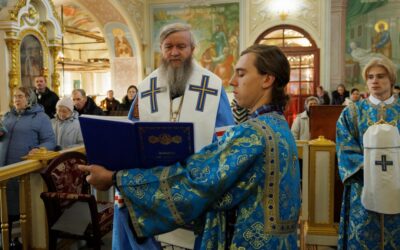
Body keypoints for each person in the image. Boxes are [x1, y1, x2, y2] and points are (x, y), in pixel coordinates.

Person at [80, 44, 300, 249]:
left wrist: (114, 178)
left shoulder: (253, 133)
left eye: (241, 74)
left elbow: (194, 180)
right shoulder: (279, 125)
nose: (233, 81)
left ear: (267, 79)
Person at [117, 22, 235, 250]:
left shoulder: (212, 86)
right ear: (161, 49)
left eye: (181, 46)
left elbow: (225, 139)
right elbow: (130, 134)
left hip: (196, 183)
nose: (174, 52)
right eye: (168, 46)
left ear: (192, 49)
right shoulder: (145, 87)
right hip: (154, 182)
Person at [336, 58, 400, 249]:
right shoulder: (352, 112)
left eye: (380, 76)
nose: (374, 81)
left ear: (391, 79)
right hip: (363, 185)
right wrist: (369, 167)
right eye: (370, 77)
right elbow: (344, 147)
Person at [0, 86, 55, 246]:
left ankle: (24, 241)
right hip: (5, 170)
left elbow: (50, 141)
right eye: (15, 96)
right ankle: (6, 241)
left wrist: (40, 148)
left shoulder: (41, 117)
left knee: (23, 208)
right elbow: (3, 138)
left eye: (20, 96)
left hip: (25, 171)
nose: (16, 99)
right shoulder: (8, 116)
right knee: (5, 208)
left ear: (29, 98)